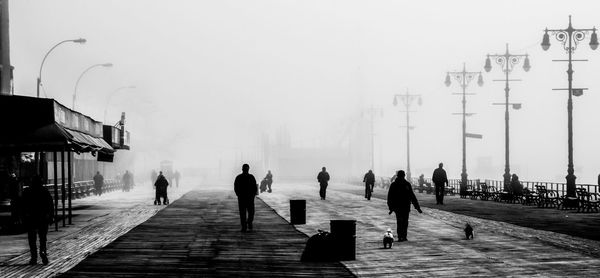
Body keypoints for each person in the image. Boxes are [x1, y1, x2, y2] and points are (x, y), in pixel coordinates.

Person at [22, 176, 54, 265]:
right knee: (43, 238)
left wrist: (24, 216)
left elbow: (23, 205)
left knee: (32, 238)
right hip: (43, 218)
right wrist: (50, 216)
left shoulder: (27, 191)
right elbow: (50, 205)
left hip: (31, 218)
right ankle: (43, 252)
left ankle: (34, 257)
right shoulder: (45, 191)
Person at [387, 170, 422, 242]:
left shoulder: (394, 184)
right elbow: (412, 196)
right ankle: (404, 236)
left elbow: (390, 197)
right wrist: (417, 207)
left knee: (399, 221)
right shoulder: (407, 184)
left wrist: (391, 207)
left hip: (397, 206)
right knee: (405, 221)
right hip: (406, 206)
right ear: (404, 175)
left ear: (397, 175)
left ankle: (400, 236)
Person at [234, 164, 258, 232]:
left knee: (243, 213)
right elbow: (255, 187)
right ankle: (248, 223)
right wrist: (253, 195)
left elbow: (236, 187)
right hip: (249, 198)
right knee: (251, 212)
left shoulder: (238, 177)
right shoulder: (251, 177)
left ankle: (244, 226)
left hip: (242, 198)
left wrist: (238, 194)